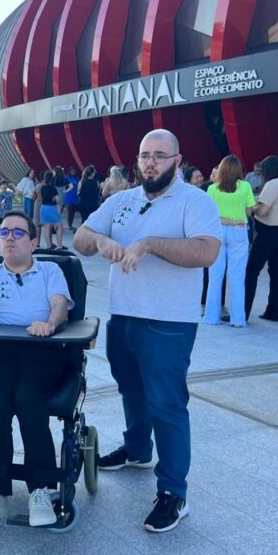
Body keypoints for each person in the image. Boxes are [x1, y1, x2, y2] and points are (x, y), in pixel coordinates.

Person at [74, 130, 220, 532]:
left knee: (167, 403)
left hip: (169, 322)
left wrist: (151, 244)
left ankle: (174, 492)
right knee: (131, 387)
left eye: (159, 155)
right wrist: (101, 240)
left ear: (177, 159)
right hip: (124, 315)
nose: (151, 163)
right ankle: (138, 449)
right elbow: (81, 238)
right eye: (144, 156)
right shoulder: (121, 200)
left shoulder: (195, 201)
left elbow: (207, 251)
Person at [0, 211, 74, 527]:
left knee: (28, 399)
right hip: (0, 350)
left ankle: (41, 490)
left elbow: (60, 304)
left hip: (40, 347)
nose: (9, 238)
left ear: (34, 242)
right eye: (4, 232)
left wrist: (49, 323)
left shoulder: (50, 270)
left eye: (18, 233)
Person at [244, 155, 278, 322]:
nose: (261, 175)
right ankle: (274, 311)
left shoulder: (273, 185)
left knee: (251, 272)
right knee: (276, 272)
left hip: (268, 232)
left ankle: (242, 312)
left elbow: (262, 211)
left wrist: (252, 206)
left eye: (262, 172)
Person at [204, 155, 254, 328]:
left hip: (217, 232)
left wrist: (226, 220)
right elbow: (248, 211)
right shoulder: (246, 186)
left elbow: (210, 215)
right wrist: (234, 220)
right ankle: (238, 319)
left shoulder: (212, 189)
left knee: (215, 277)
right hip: (239, 232)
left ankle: (211, 317)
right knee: (237, 278)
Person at [36, 169, 64, 249]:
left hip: (44, 208)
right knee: (59, 226)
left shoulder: (42, 188)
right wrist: (55, 199)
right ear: (52, 179)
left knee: (46, 227)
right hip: (52, 208)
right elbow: (58, 200)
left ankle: (48, 245)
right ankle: (59, 245)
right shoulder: (53, 188)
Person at [63, 166, 80, 230]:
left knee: (73, 212)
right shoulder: (66, 177)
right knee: (69, 211)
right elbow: (64, 186)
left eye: (74, 171)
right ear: (70, 171)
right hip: (68, 197)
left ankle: (71, 225)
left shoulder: (77, 178)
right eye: (72, 170)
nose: (73, 172)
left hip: (75, 197)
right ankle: (69, 225)